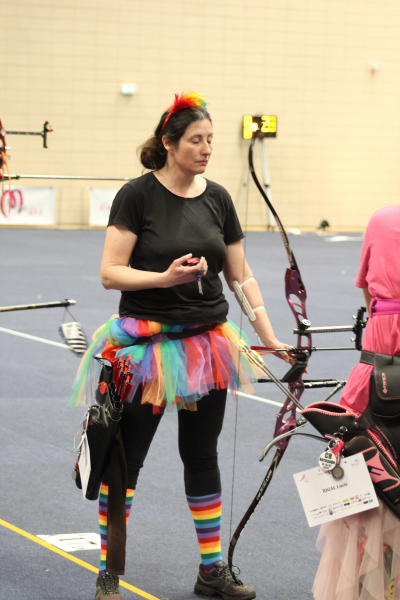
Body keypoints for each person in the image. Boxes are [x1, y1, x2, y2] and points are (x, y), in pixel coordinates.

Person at [71, 91, 290, 600]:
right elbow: (110, 273)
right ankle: (108, 572)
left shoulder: (219, 198)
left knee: (202, 455)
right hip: (144, 349)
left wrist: (268, 335)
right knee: (126, 460)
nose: (207, 148)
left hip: (207, 346)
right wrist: (163, 278)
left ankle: (211, 569)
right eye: (196, 140)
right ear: (169, 143)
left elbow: (240, 275)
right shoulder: (137, 195)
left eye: (211, 139)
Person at [312, 205, 400, 600]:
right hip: (382, 370)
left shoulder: (383, 219)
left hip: (377, 368)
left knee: (370, 482)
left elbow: (369, 293)